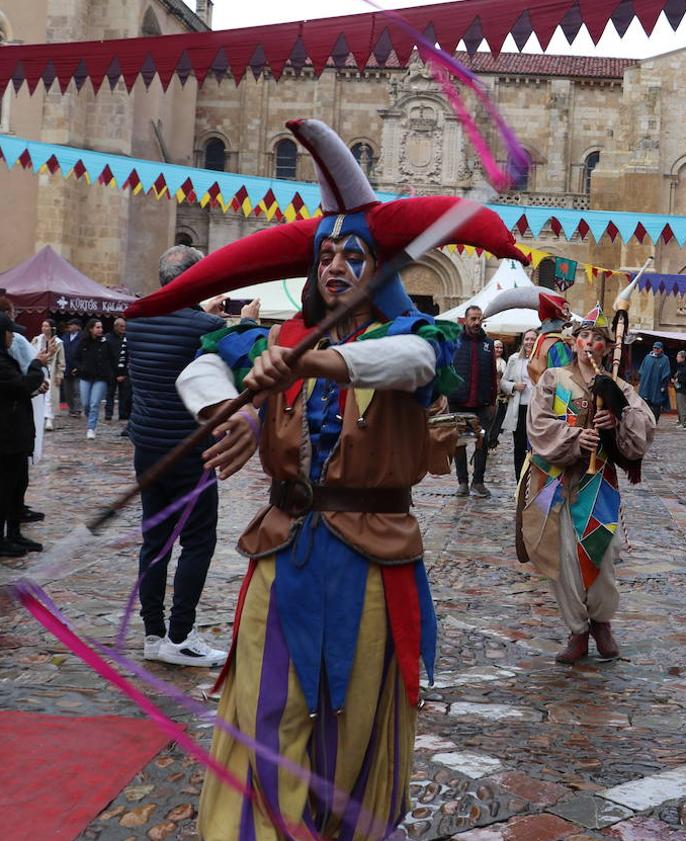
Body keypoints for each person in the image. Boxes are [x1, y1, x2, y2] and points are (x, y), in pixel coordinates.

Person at [126, 118, 526, 841]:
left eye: (354, 253)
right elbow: (203, 362)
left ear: (381, 270)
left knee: (357, 710)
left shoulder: (419, 338)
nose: (336, 265)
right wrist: (231, 415)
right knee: (267, 705)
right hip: (283, 550)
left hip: (371, 555)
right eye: (326, 255)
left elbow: (407, 366)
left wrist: (315, 363)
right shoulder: (272, 340)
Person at [125, 247, 252, 667]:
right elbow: (231, 374)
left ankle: (153, 634)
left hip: (147, 448)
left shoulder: (137, 319)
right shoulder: (209, 325)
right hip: (189, 450)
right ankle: (181, 636)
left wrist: (202, 308)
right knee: (197, 541)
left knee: (155, 543)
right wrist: (246, 323)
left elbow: (172, 337)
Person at [520, 308, 655, 663]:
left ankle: (601, 622)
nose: (590, 344)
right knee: (562, 556)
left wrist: (618, 419)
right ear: (573, 342)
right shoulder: (552, 378)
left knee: (602, 551)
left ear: (607, 346)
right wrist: (574, 438)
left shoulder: (618, 385)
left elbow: (644, 422)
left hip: (598, 482)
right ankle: (577, 629)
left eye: (598, 339)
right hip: (556, 479)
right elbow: (537, 424)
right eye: (585, 337)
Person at [0, 315, 47, 558]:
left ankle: (14, 533)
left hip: (15, 435)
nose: (12, 338)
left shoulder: (5, 359)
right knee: (6, 488)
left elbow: (17, 391)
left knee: (18, 485)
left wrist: (34, 386)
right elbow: (21, 385)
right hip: (6, 438)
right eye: (9, 333)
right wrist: (37, 364)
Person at [450, 305, 497, 498]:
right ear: (465, 320)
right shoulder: (454, 342)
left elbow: (493, 373)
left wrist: (493, 400)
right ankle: (462, 482)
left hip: (482, 402)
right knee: (459, 443)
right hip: (458, 401)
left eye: (479, 319)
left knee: (482, 442)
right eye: (473, 319)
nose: (477, 322)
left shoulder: (488, 344)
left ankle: (478, 481)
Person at [500, 328, 536, 479]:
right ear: (523, 341)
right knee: (519, 447)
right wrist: (514, 386)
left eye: (533, 339)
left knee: (535, 447)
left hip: (536, 409)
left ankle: (533, 481)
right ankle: (519, 480)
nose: (529, 342)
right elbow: (503, 381)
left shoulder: (542, 358)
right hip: (519, 408)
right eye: (527, 339)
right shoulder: (514, 359)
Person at [74, 318, 117, 439]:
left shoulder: (105, 343)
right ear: (91, 329)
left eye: (101, 327)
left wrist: (112, 374)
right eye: (97, 327)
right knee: (86, 403)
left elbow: (113, 359)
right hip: (85, 377)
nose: (100, 330)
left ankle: (91, 428)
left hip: (101, 378)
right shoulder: (83, 342)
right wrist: (80, 367)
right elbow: (75, 358)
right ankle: (91, 420)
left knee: (94, 403)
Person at [31, 320, 64, 431]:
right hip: (38, 369)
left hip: (51, 370)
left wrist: (60, 374)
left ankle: (49, 418)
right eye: (42, 326)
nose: (44, 328)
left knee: (49, 396)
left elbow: (61, 361)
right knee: (38, 393)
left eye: (46, 326)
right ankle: (38, 417)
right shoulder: (36, 340)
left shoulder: (58, 342)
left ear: (51, 328)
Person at [104, 317, 131, 423]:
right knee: (110, 394)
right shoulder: (108, 338)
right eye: (121, 326)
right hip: (111, 371)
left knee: (124, 394)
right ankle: (108, 414)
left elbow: (129, 356)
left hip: (124, 372)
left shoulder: (127, 338)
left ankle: (123, 414)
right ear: (115, 326)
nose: (123, 328)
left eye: (124, 326)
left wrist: (124, 373)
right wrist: (110, 373)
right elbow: (105, 357)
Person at [636, 340, 671, 422]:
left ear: (661, 349)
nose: (656, 349)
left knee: (656, 404)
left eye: (658, 348)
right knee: (645, 403)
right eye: (654, 348)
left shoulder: (665, 359)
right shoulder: (647, 357)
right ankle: (646, 421)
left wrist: (663, 386)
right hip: (646, 385)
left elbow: (666, 373)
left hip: (657, 386)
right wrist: (641, 383)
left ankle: (654, 421)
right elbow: (642, 371)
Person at [60, 318, 84, 416]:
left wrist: (80, 366)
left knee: (77, 389)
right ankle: (71, 408)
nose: (69, 326)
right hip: (66, 366)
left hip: (77, 367)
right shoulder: (64, 337)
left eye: (72, 324)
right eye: (69, 324)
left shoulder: (82, 337)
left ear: (78, 326)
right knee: (67, 390)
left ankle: (77, 409)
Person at [672, 350, 686, 429]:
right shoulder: (680, 367)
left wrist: (679, 379)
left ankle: (685, 423)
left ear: (683, 358)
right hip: (679, 389)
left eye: (678, 356)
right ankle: (681, 421)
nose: (676, 358)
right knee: (679, 406)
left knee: (682, 407)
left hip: (683, 389)